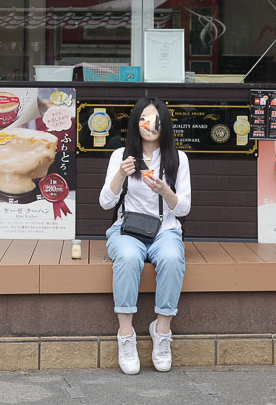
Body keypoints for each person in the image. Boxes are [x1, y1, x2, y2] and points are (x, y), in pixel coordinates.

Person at [99, 97, 191, 375]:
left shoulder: (178, 158)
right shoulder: (121, 156)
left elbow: (184, 207)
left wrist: (165, 191)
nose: (150, 126)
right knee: (127, 258)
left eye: (156, 120)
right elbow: (105, 202)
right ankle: (125, 335)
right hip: (128, 229)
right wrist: (120, 175)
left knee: (173, 259)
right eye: (144, 119)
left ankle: (162, 332)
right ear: (136, 123)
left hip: (166, 230)